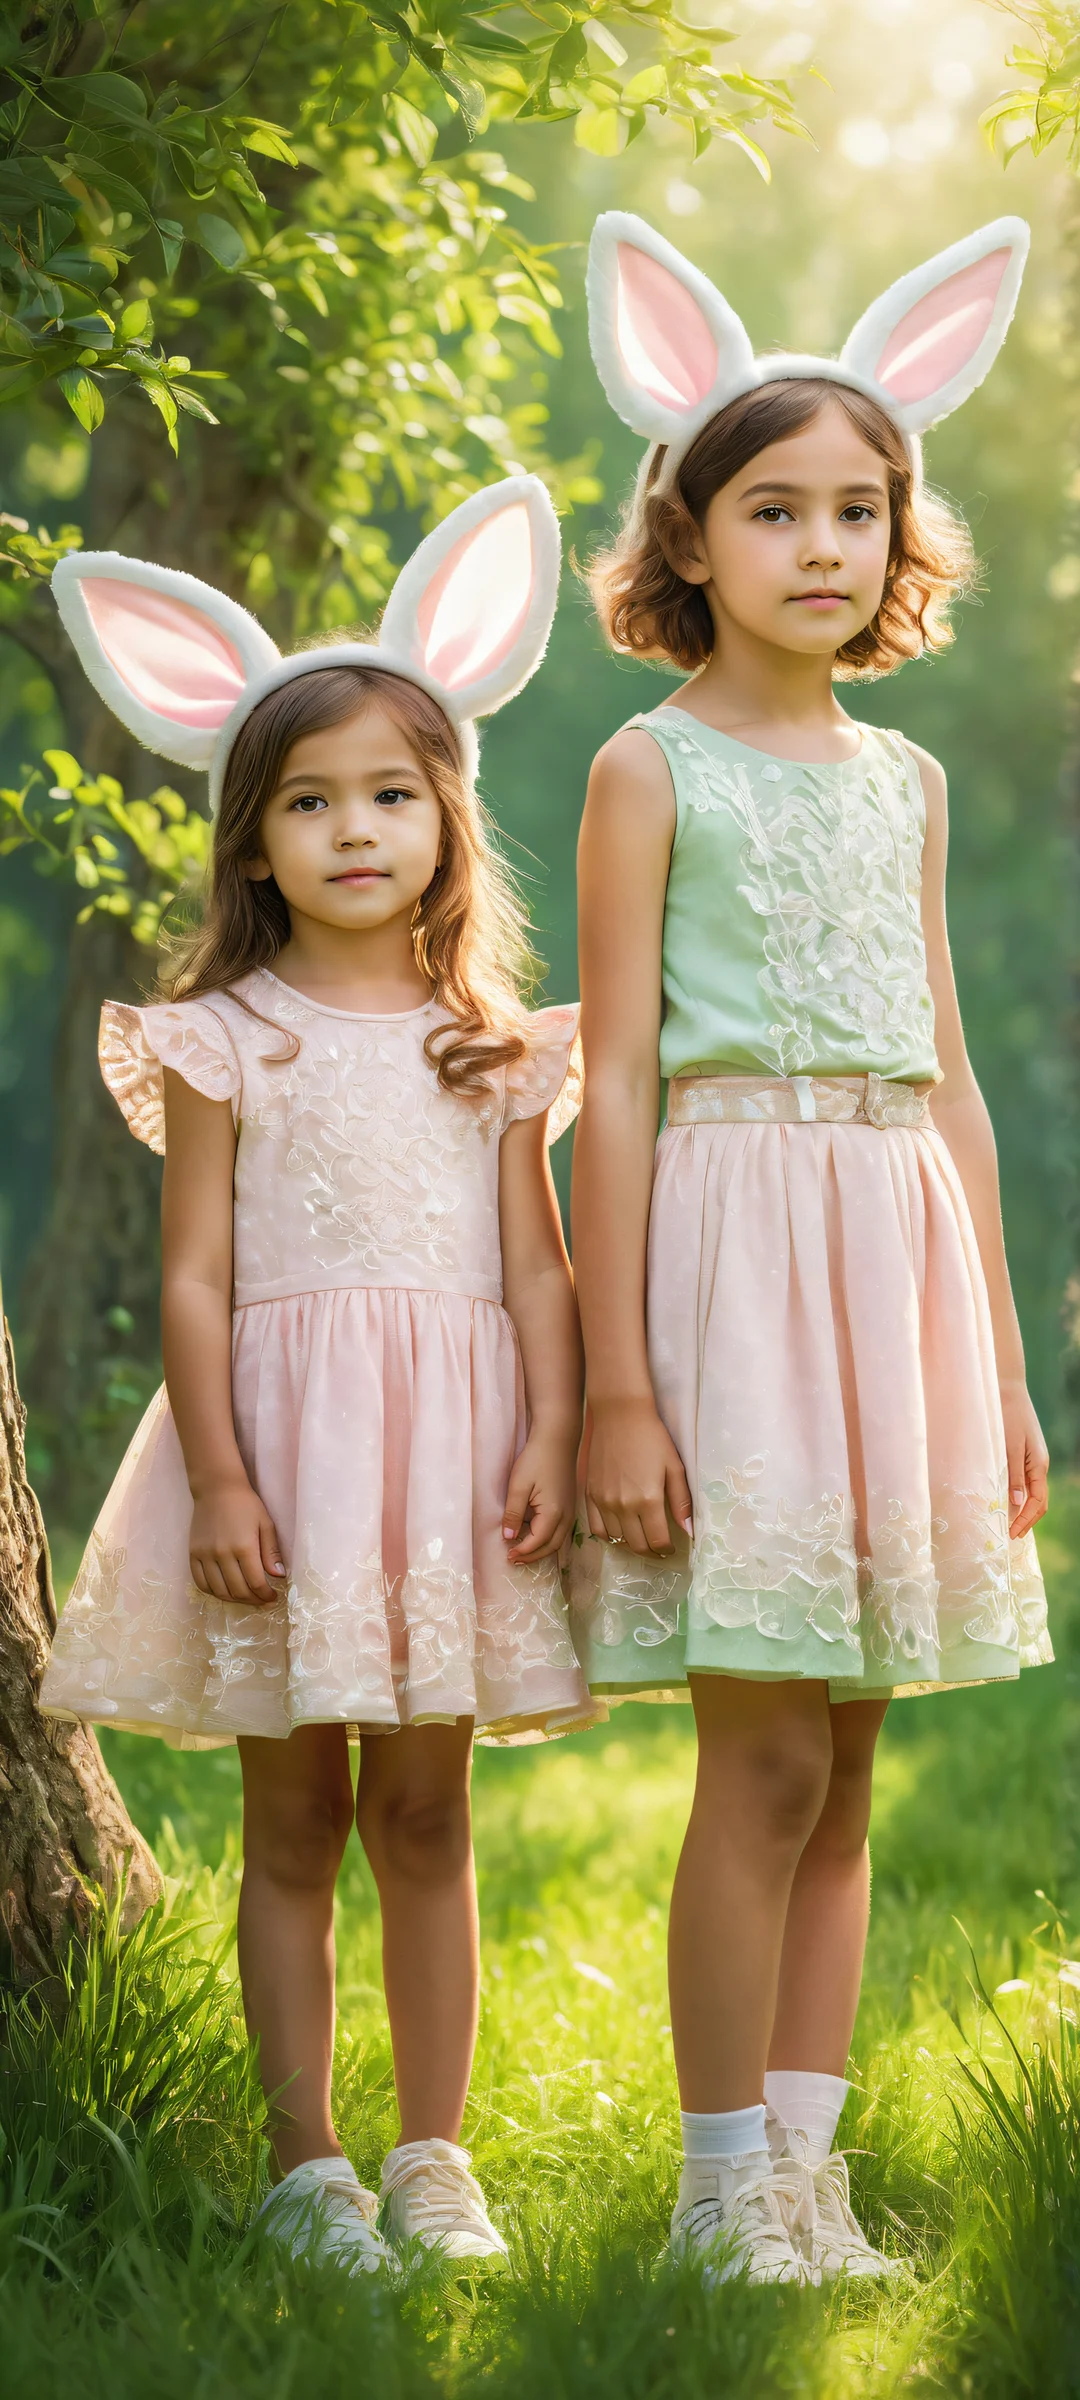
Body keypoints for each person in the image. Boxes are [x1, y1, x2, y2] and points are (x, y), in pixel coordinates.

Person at [570, 213, 1052, 2288]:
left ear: (901, 537)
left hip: (898, 1258)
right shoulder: (647, 767)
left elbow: (952, 1077)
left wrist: (1003, 1366)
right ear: (691, 538)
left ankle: (802, 2174)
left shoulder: (907, 778)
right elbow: (613, 1084)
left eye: (861, 508)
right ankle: (710, 2199)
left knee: (850, 1756)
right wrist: (616, 1385)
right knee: (761, 1747)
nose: (825, 545)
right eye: (777, 509)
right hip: (737, 1259)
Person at [40, 479, 592, 2275]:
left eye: (390, 794)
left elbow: (535, 1264)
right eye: (308, 799)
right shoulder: (222, 1038)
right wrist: (218, 1474)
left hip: (449, 1464)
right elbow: (198, 1276)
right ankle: (307, 2170)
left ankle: (434, 2159)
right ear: (253, 839)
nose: (353, 829)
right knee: (292, 1810)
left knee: (425, 1809)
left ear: (448, 818)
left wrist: (555, 1430)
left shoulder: (490, 1048)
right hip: (280, 1457)